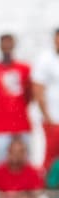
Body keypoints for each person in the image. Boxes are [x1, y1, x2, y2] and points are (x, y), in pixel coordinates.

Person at [0, 34, 34, 167]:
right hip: (0, 127)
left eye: (9, 42)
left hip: (22, 125)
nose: (7, 46)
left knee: (26, 165)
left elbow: (30, 96)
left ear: (14, 45)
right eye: (4, 43)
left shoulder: (25, 69)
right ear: (0, 45)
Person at [34, 26, 59, 171]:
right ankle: (47, 184)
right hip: (54, 120)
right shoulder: (46, 59)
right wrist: (47, 118)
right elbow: (38, 90)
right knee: (51, 159)